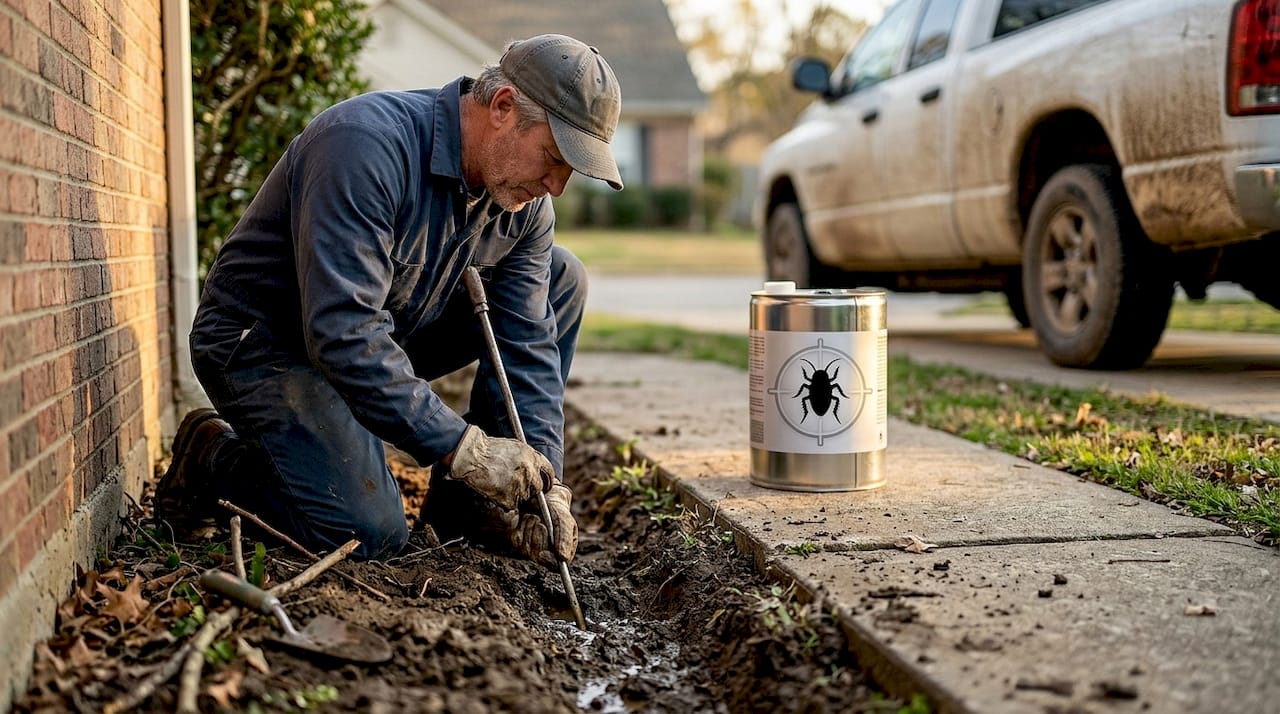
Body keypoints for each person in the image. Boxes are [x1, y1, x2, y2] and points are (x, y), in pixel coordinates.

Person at [155, 34, 624, 566]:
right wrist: (463, 449)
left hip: (382, 334)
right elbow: (343, 333)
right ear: (502, 106)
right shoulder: (362, 145)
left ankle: (472, 509)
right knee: (364, 534)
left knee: (563, 277)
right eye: (553, 156)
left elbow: (529, 348)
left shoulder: (525, 210)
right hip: (265, 345)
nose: (557, 186)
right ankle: (214, 457)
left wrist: (545, 482)